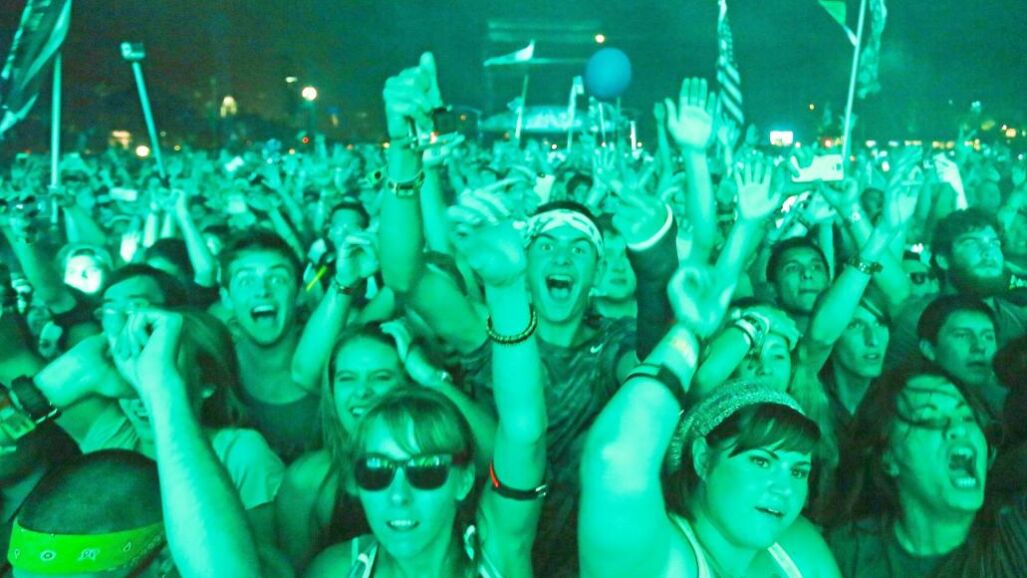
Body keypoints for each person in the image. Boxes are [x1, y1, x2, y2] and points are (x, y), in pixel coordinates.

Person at [580, 261, 841, 578]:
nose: (784, 488)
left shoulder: (798, 548)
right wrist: (687, 334)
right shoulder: (656, 561)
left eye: (798, 471)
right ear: (703, 458)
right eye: (761, 461)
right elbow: (615, 456)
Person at [826, 364, 1027, 577]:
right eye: (930, 419)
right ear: (888, 457)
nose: (959, 428)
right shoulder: (843, 555)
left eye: (968, 417)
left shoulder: (1018, 533)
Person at [916, 295, 1006, 416]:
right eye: (962, 335)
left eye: (988, 337)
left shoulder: (1000, 400)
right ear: (929, 349)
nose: (980, 346)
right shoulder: (922, 408)